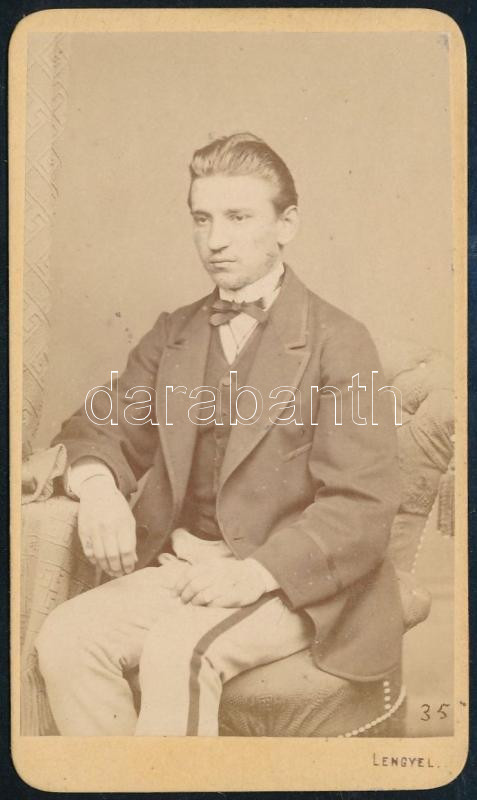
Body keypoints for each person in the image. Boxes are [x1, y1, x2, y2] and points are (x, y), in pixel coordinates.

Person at [36, 132, 403, 736]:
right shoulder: (174, 334)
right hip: (187, 568)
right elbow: (97, 424)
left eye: (238, 217)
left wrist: (254, 573)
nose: (215, 240)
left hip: (296, 584)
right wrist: (97, 488)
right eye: (201, 218)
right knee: (66, 638)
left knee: (180, 651)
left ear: (286, 225)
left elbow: (361, 506)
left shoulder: (341, 341)